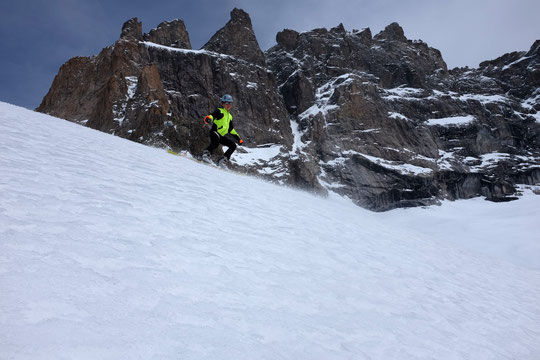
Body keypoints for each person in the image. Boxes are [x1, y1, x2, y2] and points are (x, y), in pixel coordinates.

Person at [202, 94, 243, 166]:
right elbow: (212, 116)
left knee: (233, 146)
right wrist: (208, 118)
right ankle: (205, 155)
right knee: (216, 142)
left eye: (230, 103)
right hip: (215, 132)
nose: (229, 105)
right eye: (227, 103)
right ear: (222, 103)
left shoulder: (230, 116)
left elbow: (231, 129)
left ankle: (221, 161)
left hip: (221, 135)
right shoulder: (219, 111)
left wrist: (238, 139)